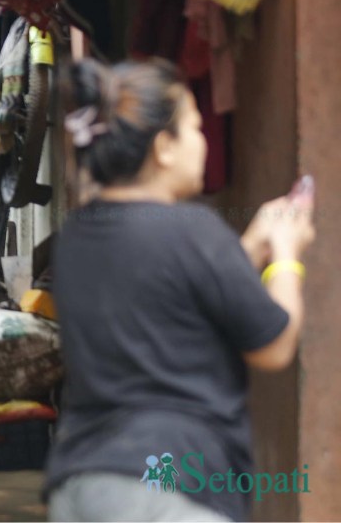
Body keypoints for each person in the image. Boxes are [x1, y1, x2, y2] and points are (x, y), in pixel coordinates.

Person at [45, 58, 314, 523]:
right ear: (164, 147)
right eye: (194, 127)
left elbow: (169, 292)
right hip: (168, 485)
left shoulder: (74, 238)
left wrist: (247, 248)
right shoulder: (192, 230)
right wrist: (288, 255)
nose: (203, 140)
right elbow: (274, 346)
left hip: (80, 483)